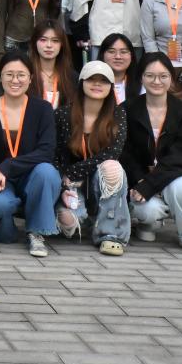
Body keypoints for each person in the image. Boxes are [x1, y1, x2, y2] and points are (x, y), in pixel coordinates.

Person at [123, 53, 182, 257]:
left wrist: (150, 184)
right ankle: (149, 224)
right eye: (150, 76)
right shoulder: (127, 109)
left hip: (179, 175)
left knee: (179, 187)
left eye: (163, 76)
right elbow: (125, 153)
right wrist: (140, 180)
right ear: (141, 78)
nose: (157, 81)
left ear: (171, 78)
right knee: (147, 210)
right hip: (141, 177)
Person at [0, 51, 60, 257]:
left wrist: (6, 167)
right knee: (0, 207)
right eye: (9, 74)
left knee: (47, 172)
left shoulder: (43, 109)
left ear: (30, 78)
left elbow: (46, 151)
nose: (15, 80)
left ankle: (37, 232)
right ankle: (2, 216)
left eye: (21, 75)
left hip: (32, 177)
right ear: (0, 77)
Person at [53, 61, 131, 256]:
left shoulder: (118, 114)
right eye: (91, 79)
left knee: (112, 167)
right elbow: (55, 153)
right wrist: (63, 184)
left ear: (111, 86)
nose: (97, 84)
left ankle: (110, 234)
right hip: (70, 184)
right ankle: (86, 218)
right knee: (67, 221)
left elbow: (112, 153)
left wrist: (74, 171)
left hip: (98, 179)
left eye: (103, 81)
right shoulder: (63, 114)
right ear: (81, 83)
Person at [29, 19, 77, 111]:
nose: (49, 45)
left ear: (62, 44)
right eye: (43, 40)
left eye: (55, 41)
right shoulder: (26, 75)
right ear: (35, 42)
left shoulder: (71, 77)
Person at [100, 33, 141, 105]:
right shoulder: (94, 84)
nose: (118, 57)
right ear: (102, 55)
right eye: (111, 52)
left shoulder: (143, 85)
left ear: (131, 56)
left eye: (123, 52)